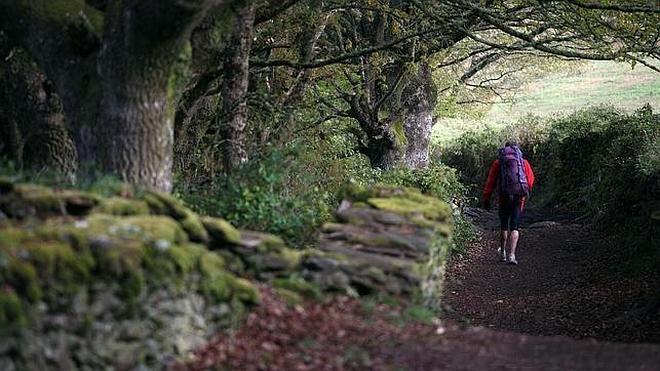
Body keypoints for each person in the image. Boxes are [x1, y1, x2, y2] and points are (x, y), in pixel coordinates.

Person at [483, 141, 535, 265]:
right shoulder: (523, 162)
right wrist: (525, 192)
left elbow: (490, 182)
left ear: (504, 149)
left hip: (504, 197)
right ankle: (512, 255)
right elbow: (531, 180)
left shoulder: (499, 162)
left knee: (504, 225)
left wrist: (486, 198)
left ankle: (503, 254)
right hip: (518, 197)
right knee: (515, 226)